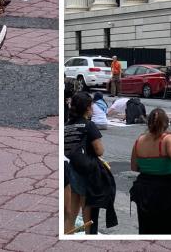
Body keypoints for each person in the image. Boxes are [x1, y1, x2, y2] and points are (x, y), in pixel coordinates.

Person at [130, 108, 171, 234]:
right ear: (166, 124)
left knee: (147, 228)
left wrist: (150, 167)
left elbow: (134, 167)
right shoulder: (168, 139)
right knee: (170, 227)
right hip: (168, 190)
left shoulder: (139, 141)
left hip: (145, 190)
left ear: (148, 123)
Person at [64, 91, 104, 234]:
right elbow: (99, 150)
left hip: (70, 172)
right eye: (91, 106)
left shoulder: (66, 126)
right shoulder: (89, 125)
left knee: (71, 215)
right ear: (87, 108)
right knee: (88, 216)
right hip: (86, 174)